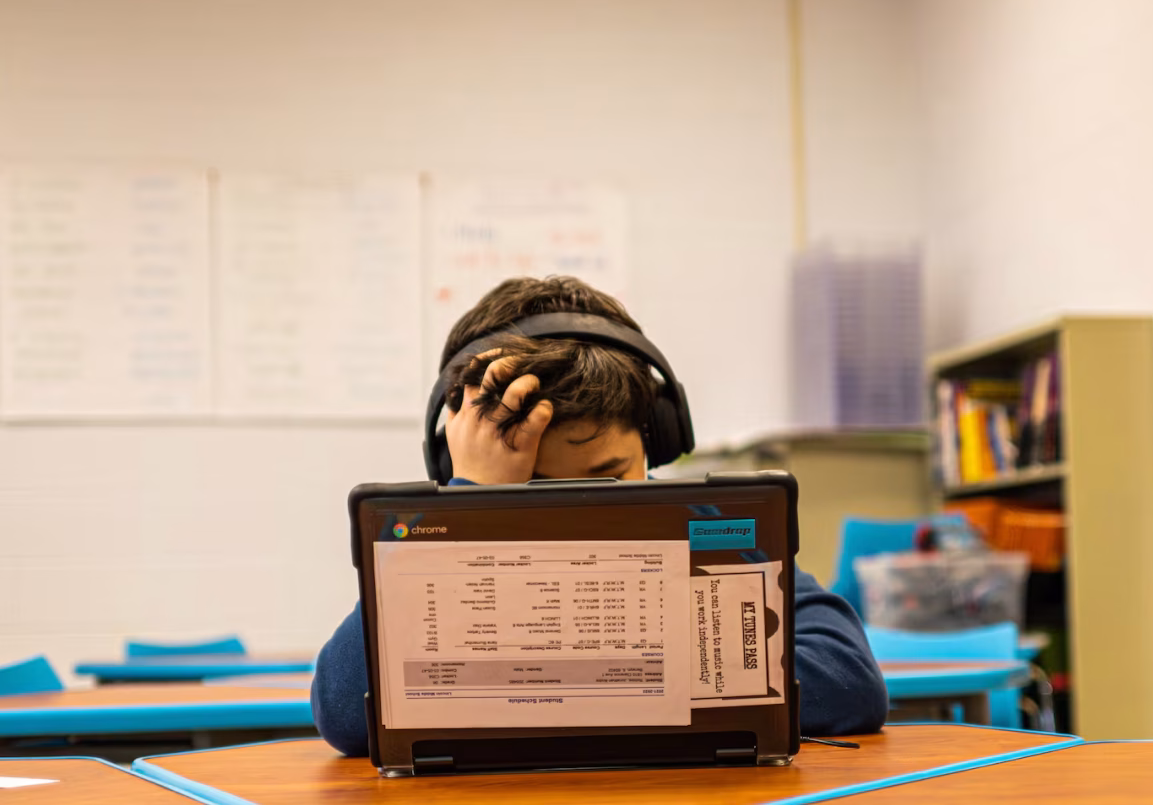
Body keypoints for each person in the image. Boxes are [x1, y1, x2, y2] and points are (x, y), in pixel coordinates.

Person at [311, 276, 888, 755]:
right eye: (532, 490)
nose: (579, 516)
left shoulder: (704, 526)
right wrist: (472, 504)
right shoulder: (436, 548)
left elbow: (849, 681)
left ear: (655, 439)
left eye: (607, 479)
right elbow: (343, 710)